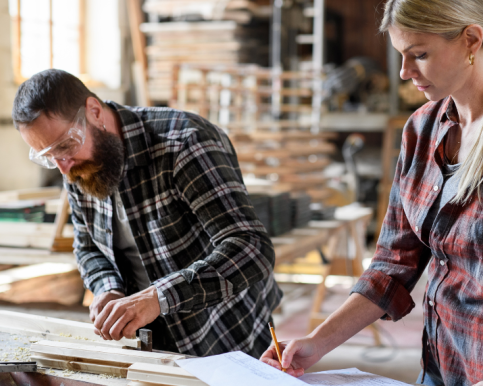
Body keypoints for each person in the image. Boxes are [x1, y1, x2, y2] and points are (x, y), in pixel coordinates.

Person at [261, 0, 483, 385]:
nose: (404, 72)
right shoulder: (420, 131)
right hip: (439, 369)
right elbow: (392, 265)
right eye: (401, 55)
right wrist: (316, 343)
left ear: (471, 39)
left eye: (420, 54)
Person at [12, 69, 282, 357]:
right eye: (50, 158)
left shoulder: (185, 143)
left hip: (224, 331)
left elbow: (251, 248)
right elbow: (88, 245)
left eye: (65, 147)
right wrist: (108, 289)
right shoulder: (74, 163)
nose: (64, 168)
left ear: (93, 111)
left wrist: (158, 297)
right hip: (147, 334)